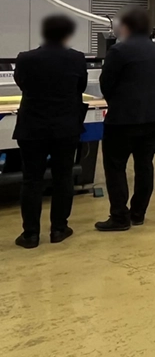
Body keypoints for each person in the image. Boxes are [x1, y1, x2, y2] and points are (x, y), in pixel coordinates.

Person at [12, 14, 88, 248]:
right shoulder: (77, 59)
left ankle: (30, 234)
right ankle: (59, 229)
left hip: (32, 127)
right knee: (63, 177)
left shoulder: (25, 59)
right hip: (66, 127)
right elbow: (80, 87)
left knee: (31, 179)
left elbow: (22, 84)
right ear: (68, 34)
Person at [96, 7, 155, 231]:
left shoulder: (119, 51)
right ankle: (138, 213)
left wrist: (116, 101)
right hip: (151, 117)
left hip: (122, 119)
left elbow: (106, 83)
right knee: (144, 165)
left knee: (115, 166)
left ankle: (119, 216)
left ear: (126, 27)